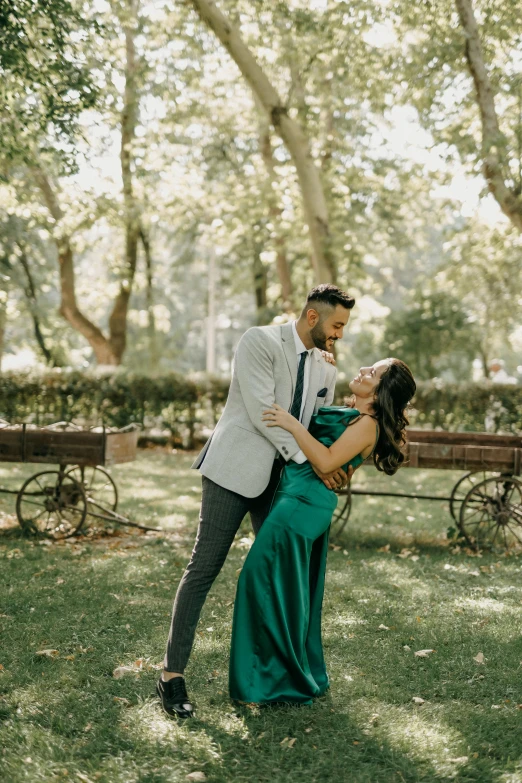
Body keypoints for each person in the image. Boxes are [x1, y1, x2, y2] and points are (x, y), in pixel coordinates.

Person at [157, 284, 356, 719]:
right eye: (336, 324)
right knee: (204, 568)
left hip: (282, 482)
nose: (339, 334)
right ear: (311, 317)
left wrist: (339, 459)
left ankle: (274, 675)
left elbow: (317, 422)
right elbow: (265, 413)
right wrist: (314, 462)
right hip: (234, 469)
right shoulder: (259, 341)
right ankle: (171, 675)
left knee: (282, 576)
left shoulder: (325, 367)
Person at [229, 358, 416, 705]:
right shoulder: (354, 415)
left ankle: (268, 679)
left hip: (301, 505)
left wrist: (290, 424)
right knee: (284, 589)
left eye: (372, 373)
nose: (363, 371)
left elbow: (328, 462)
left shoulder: (368, 425)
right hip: (299, 499)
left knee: (259, 579)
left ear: (380, 392)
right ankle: (279, 674)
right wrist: (320, 361)